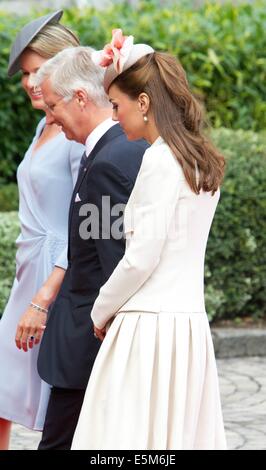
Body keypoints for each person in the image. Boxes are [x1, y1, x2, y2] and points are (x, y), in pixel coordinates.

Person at [71, 29, 227, 450]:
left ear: (144, 102)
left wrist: (99, 312)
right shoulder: (199, 161)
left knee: (123, 444)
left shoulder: (161, 160)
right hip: (189, 325)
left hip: (150, 328)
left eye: (118, 106)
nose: (115, 116)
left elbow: (140, 258)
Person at [32, 45, 148, 450]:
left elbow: (117, 262)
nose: (49, 119)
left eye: (51, 107)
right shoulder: (116, 149)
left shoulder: (109, 161)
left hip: (89, 345)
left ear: (80, 98)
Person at [0, 11, 84, 450]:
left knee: (59, 404)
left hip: (56, 278)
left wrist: (45, 296)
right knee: (3, 390)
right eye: (27, 74)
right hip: (26, 273)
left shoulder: (75, 132)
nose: (32, 83)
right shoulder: (41, 125)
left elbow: (83, 222)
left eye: (39, 71)